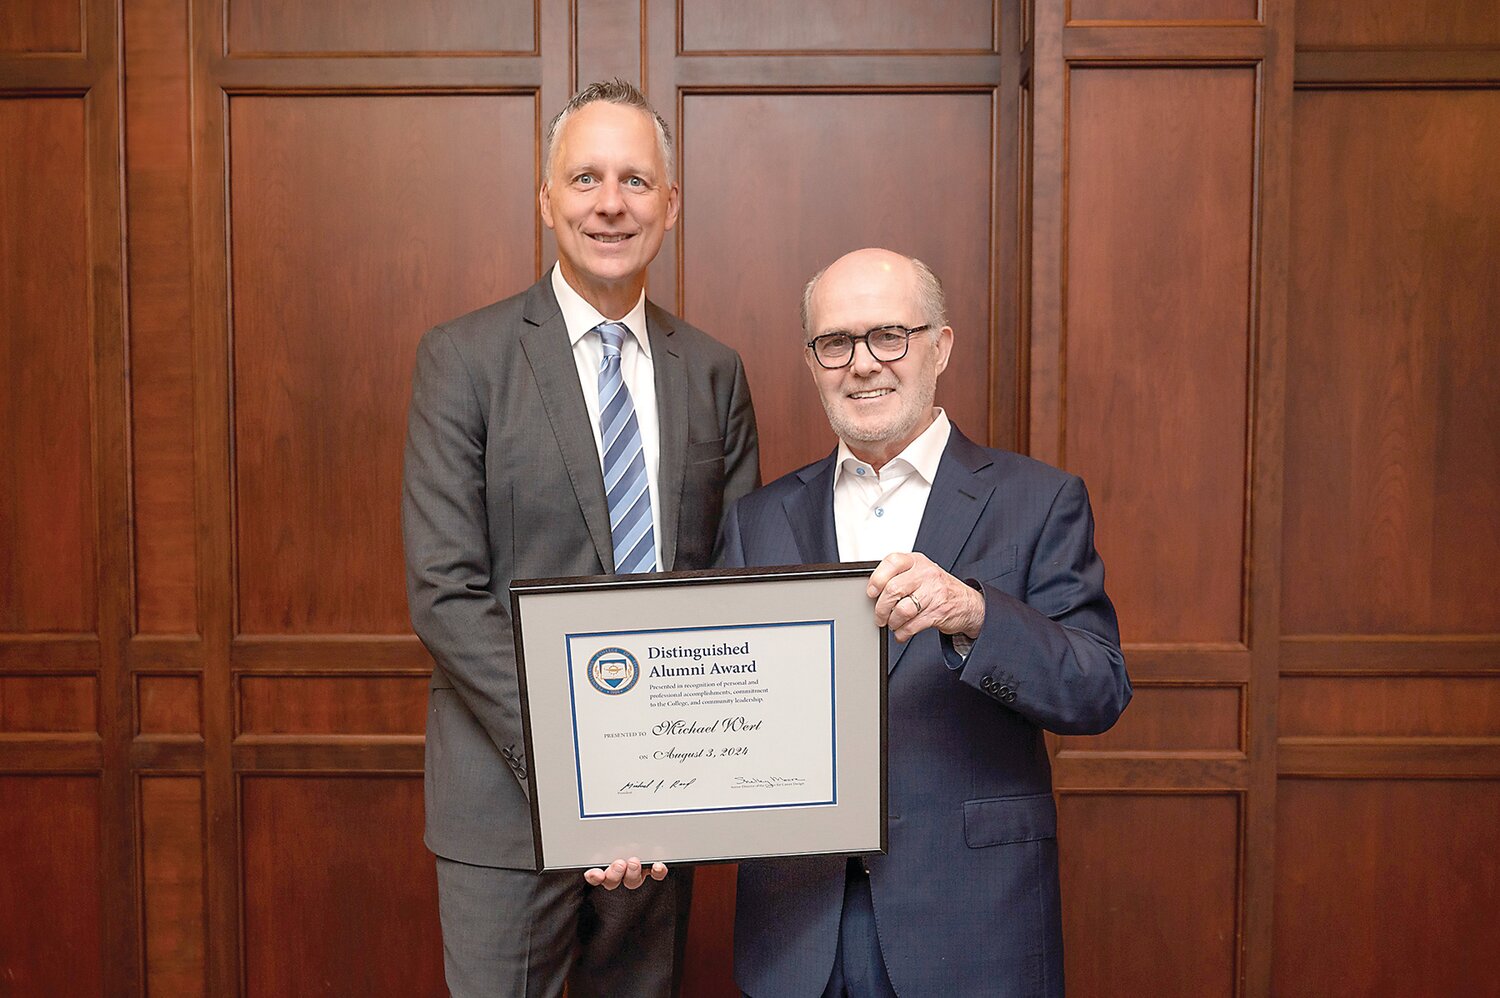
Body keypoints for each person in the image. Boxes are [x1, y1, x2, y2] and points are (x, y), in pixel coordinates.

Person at [401, 79, 760, 998]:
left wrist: (659, 787)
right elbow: (446, 592)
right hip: (507, 807)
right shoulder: (463, 360)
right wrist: (586, 770)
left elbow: (732, 588)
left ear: (670, 206)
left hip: (663, 816)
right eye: (587, 178)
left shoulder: (715, 373)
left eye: (637, 181)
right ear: (547, 201)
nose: (611, 203)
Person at [717, 248, 1130, 997]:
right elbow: (721, 710)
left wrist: (976, 614)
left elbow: (1099, 687)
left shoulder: (1038, 500)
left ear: (940, 345)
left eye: (889, 336)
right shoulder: (757, 522)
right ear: (813, 363)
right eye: (835, 343)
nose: (863, 363)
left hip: (974, 926)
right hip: (799, 934)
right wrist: (641, 828)